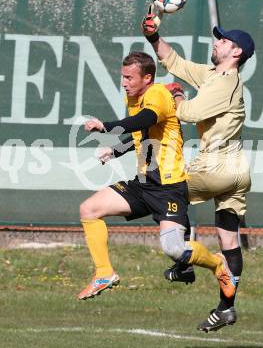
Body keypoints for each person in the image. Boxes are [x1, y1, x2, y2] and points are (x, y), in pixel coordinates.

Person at [77, 51, 237, 307]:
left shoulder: (158, 94)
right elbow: (142, 132)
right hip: (143, 185)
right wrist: (115, 150)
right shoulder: (134, 98)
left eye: (129, 77)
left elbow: (145, 119)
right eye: (123, 77)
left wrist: (105, 127)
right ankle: (104, 272)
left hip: (169, 188)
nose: (124, 82)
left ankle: (218, 263)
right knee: (89, 209)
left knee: (174, 249)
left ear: (147, 77)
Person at [141, 10, 254, 332]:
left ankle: (184, 264)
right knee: (228, 236)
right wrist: (153, 37)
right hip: (237, 169)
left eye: (223, 40)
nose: (216, 41)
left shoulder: (226, 81)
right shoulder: (213, 74)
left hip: (216, 164)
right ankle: (226, 308)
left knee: (162, 193)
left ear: (236, 52)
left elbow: (188, 112)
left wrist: (175, 95)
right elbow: (174, 62)